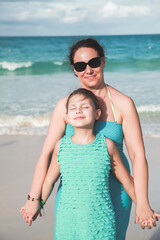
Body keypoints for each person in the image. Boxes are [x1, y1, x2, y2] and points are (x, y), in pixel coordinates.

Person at [20, 38, 160, 239]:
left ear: (103, 61)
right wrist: (34, 198)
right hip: (74, 194)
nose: (88, 70)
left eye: (93, 62)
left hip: (116, 194)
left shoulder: (123, 104)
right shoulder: (65, 107)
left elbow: (138, 156)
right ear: (74, 70)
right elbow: (47, 154)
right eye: (80, 65)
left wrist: (143, 203)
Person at [41, 88, 137, 240]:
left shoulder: (107, 145)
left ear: (97, 113)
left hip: (101, 221)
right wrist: (38, 202)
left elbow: (127, 181)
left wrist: (143, 207)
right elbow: (49, 180)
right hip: (68, 220)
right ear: (67, 117)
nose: (78, 110)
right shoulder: (61, 146)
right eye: (73, 108)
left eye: (85, 107)